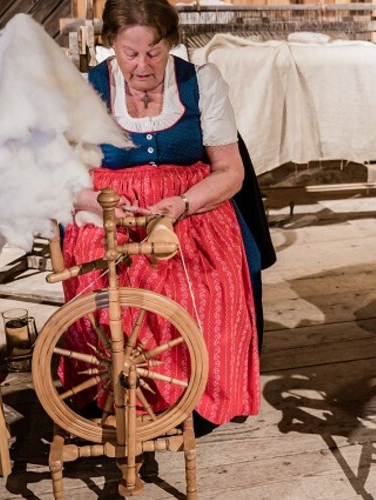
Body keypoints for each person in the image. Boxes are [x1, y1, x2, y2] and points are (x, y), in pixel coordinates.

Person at [59, 0, 274, 436]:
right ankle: (127, 395)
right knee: (116, 285)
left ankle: (198, 401)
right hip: (111, 213)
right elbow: (62, 180)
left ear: (171, 42)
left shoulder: (201, 82)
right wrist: (98, 201)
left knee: (208, 282)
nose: (143, 66)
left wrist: (182, 204)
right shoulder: (88, 90)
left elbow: (230, 172)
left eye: (154, 52)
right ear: (110, 47)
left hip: (193, 206)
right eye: (130, 53)